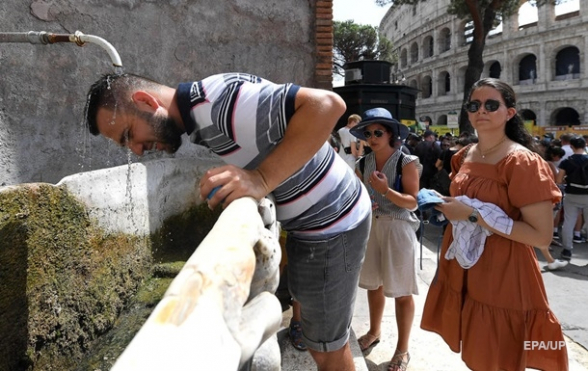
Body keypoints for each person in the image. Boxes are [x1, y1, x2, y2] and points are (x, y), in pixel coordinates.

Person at [84, 72, 372, 371]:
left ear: (145, 101)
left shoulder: (219, 104)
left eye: (129, 134)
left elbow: (327, 105)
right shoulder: (204, 112)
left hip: (332, 223)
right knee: (320, 344)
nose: (136, 149)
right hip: (316, 224)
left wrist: (261, 179)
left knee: (327, 350)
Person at [421, 78, 568, 370]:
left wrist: (473, 215)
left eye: (491, 105)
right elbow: (466, 201)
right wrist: (445, 203)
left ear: (510, 113)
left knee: (498, 356)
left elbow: (541, 236)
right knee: (477, 354)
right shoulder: (464, 155)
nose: (481, 111)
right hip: (465, 264)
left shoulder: (522, 161)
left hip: (504, 272)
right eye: (474, 105)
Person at [350, 108, 420, 371]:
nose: (372, 137)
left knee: (401, 290)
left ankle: (402, 350)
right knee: (373, 285)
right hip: (372, 226)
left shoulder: (406, 162)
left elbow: (412, 202)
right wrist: (365, 200)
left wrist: (385, 190)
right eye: (368, 133)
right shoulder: (362, 163)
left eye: (378, 132)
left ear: (390, 133)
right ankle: (374, 331)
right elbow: (357, 195)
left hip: (398, 227)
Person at [556, 136, 588, 262]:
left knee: (568, 222)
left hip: (572, 194)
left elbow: (558, 180)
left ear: (571, 146)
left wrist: (567, 180)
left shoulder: (566, 161)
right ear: (584, 145)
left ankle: (567, 250)